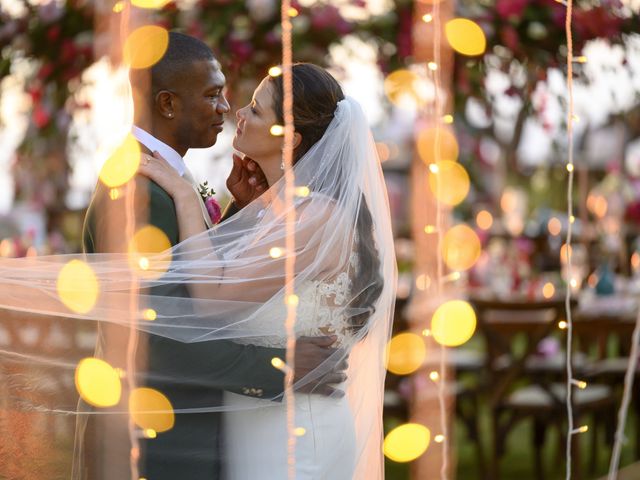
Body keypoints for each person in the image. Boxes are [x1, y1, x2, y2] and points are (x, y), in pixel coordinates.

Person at [75, 33, 346, 480]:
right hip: (152, 445)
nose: (227, 107)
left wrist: (240, 213)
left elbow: (196, 290)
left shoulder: (166, 178)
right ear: (167, 104)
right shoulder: (138, 193)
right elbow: (153, 342)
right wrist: (282, 367)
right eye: (212, 94)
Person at [136, 62, 396, 479]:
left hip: (295, 434)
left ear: (288, 138)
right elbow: (229, 283)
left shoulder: (315, 217)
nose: (238, 112)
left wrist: (186, 197)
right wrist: (242, 210)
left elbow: (215, 303)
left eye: (256, 110)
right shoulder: (281, 211)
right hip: (257, 422)